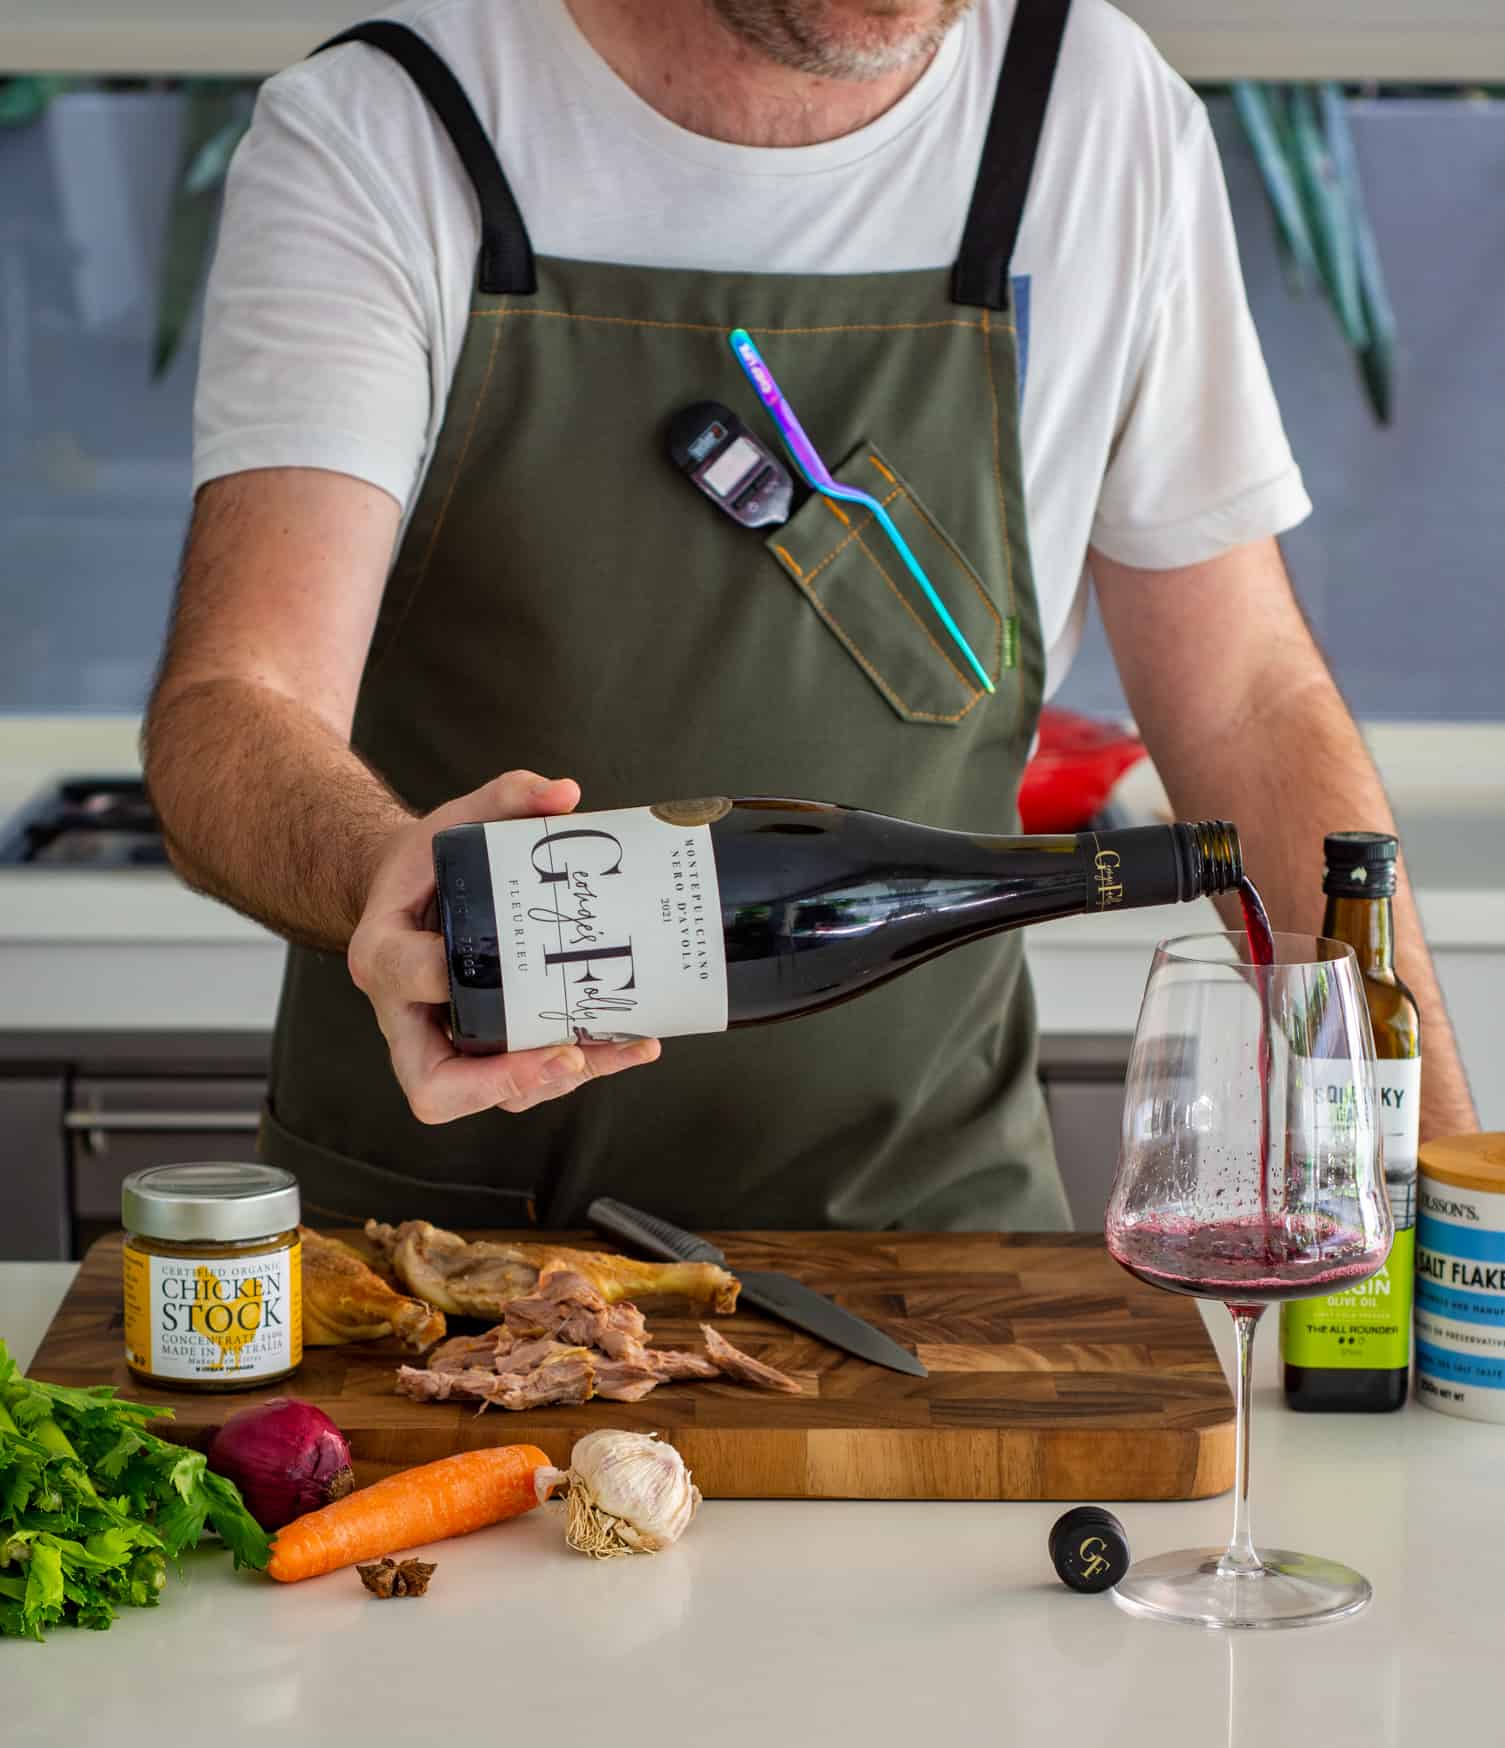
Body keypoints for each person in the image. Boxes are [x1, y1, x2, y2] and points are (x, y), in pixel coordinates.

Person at [145, 0, 1477, 1233]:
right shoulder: (393, 126)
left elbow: (1245, 697)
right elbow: (237, 703)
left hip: (932, 1254)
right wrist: (382, 876)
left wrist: (1444, 1188)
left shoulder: (1091, 114)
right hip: (439, 1258)